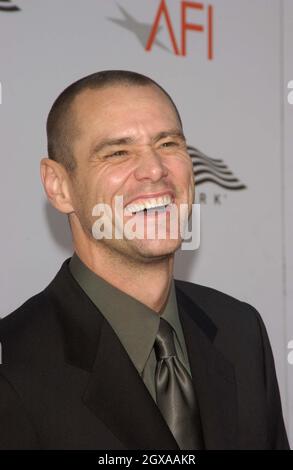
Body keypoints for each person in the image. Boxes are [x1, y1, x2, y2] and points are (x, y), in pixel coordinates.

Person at [0, 70, 289, 450]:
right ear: (59, 186)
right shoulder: (14, 363)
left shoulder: (240, 330)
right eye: (118, 152)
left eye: (168, 143)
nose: (155, 169)